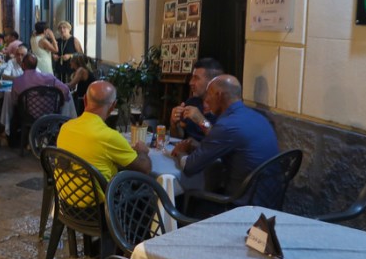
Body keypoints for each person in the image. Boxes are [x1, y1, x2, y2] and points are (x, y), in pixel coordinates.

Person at [172, 75, 279, 203]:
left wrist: (180, 151)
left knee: (185, 200)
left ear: (219, 95)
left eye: (208, 95)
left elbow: (189, 167)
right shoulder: (258, 117)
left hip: (243, 203)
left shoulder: (227, 125)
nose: (206, 100)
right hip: (270, 197)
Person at [57, 81, 151, 206]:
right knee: (147, 193)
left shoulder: (65, 127)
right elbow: (145, 169)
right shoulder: (109, 136)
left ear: (85, 100)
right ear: (113, 106)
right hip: (97, 210)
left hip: (65, 202)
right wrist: (143, 151)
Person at [169, 58, 223, 141]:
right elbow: (178, 137)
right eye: (192, 78)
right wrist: (174, 124)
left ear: (212, 82)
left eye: (196, 78)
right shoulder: (192, 102)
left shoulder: (224, 109)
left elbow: (220, 141)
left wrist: (201, 121)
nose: (191, 82)